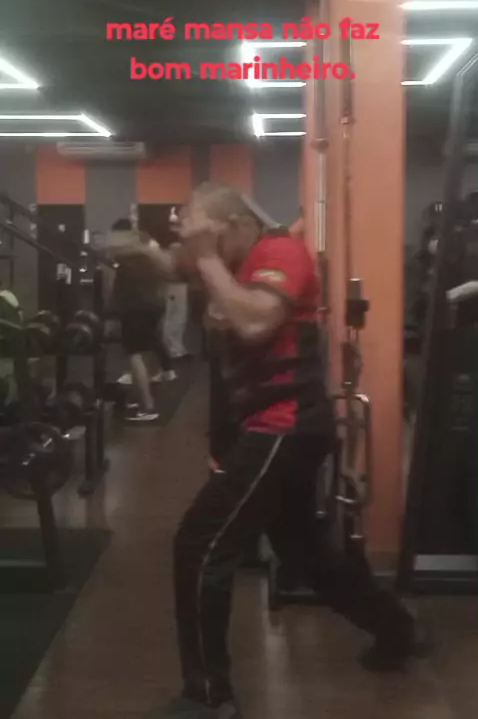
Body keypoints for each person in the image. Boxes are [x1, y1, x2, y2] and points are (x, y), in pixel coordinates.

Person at [108, 185, 425, 718]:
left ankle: (209, 698)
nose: (196, 250)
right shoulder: (226, 256)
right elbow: (169, 264)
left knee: (200, 542)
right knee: (305, 555)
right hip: (272, 428)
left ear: (234, 226)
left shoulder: (281, 252)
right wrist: (135, 246)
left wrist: (207, 257)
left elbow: (255, 322)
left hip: (286, 427)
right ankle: (398, 629)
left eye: (205, 236)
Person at [108, 219, 176, 424]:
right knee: (142, 351)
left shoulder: (126, 259)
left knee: (134, 356)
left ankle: (147, 407)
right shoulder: (146, 255)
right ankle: (139, 398)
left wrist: (111, 314)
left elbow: (118, 290)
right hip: (152, 306)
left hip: (136, 309)